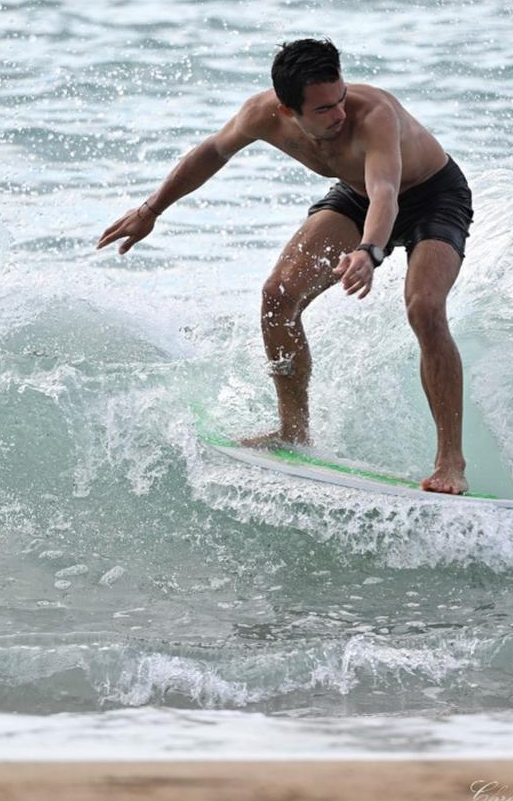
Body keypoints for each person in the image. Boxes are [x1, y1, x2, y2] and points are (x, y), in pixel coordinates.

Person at [96, 39, 474, 494]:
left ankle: (450, 461)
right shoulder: (261, 115)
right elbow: (212, 152)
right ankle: (293, 432)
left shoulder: (374, 115)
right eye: (323, 109)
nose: (339, 114)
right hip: (357, 195)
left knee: (425, 308)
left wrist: (369, 251)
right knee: (278, 296)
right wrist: (151, 210)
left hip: (433, 197)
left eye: (340, 98)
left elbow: (386, 194)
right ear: (287, 110)